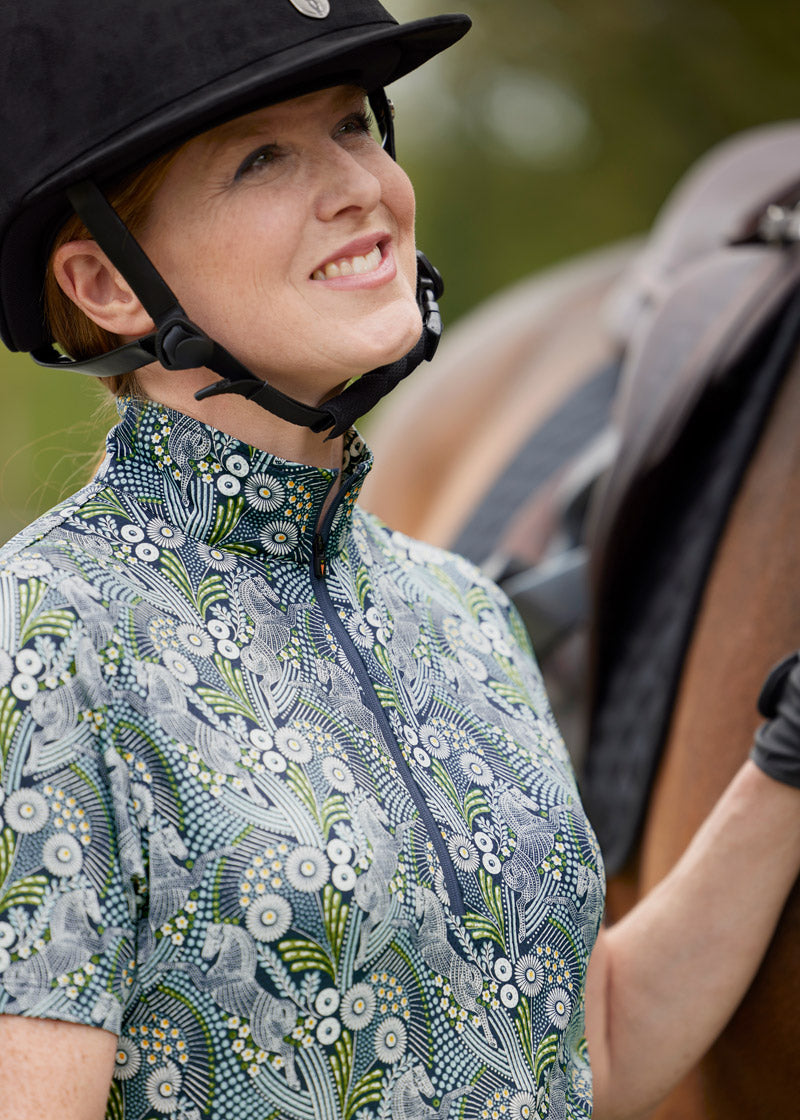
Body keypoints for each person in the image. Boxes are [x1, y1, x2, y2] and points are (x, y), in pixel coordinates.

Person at [0, 3, 798, 1119]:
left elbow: (588, 1051)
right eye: (262, 159)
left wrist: (779, 764)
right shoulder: (48, 638)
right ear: (108, 286)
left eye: (353, 126)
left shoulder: (462, 608)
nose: (356, 186)